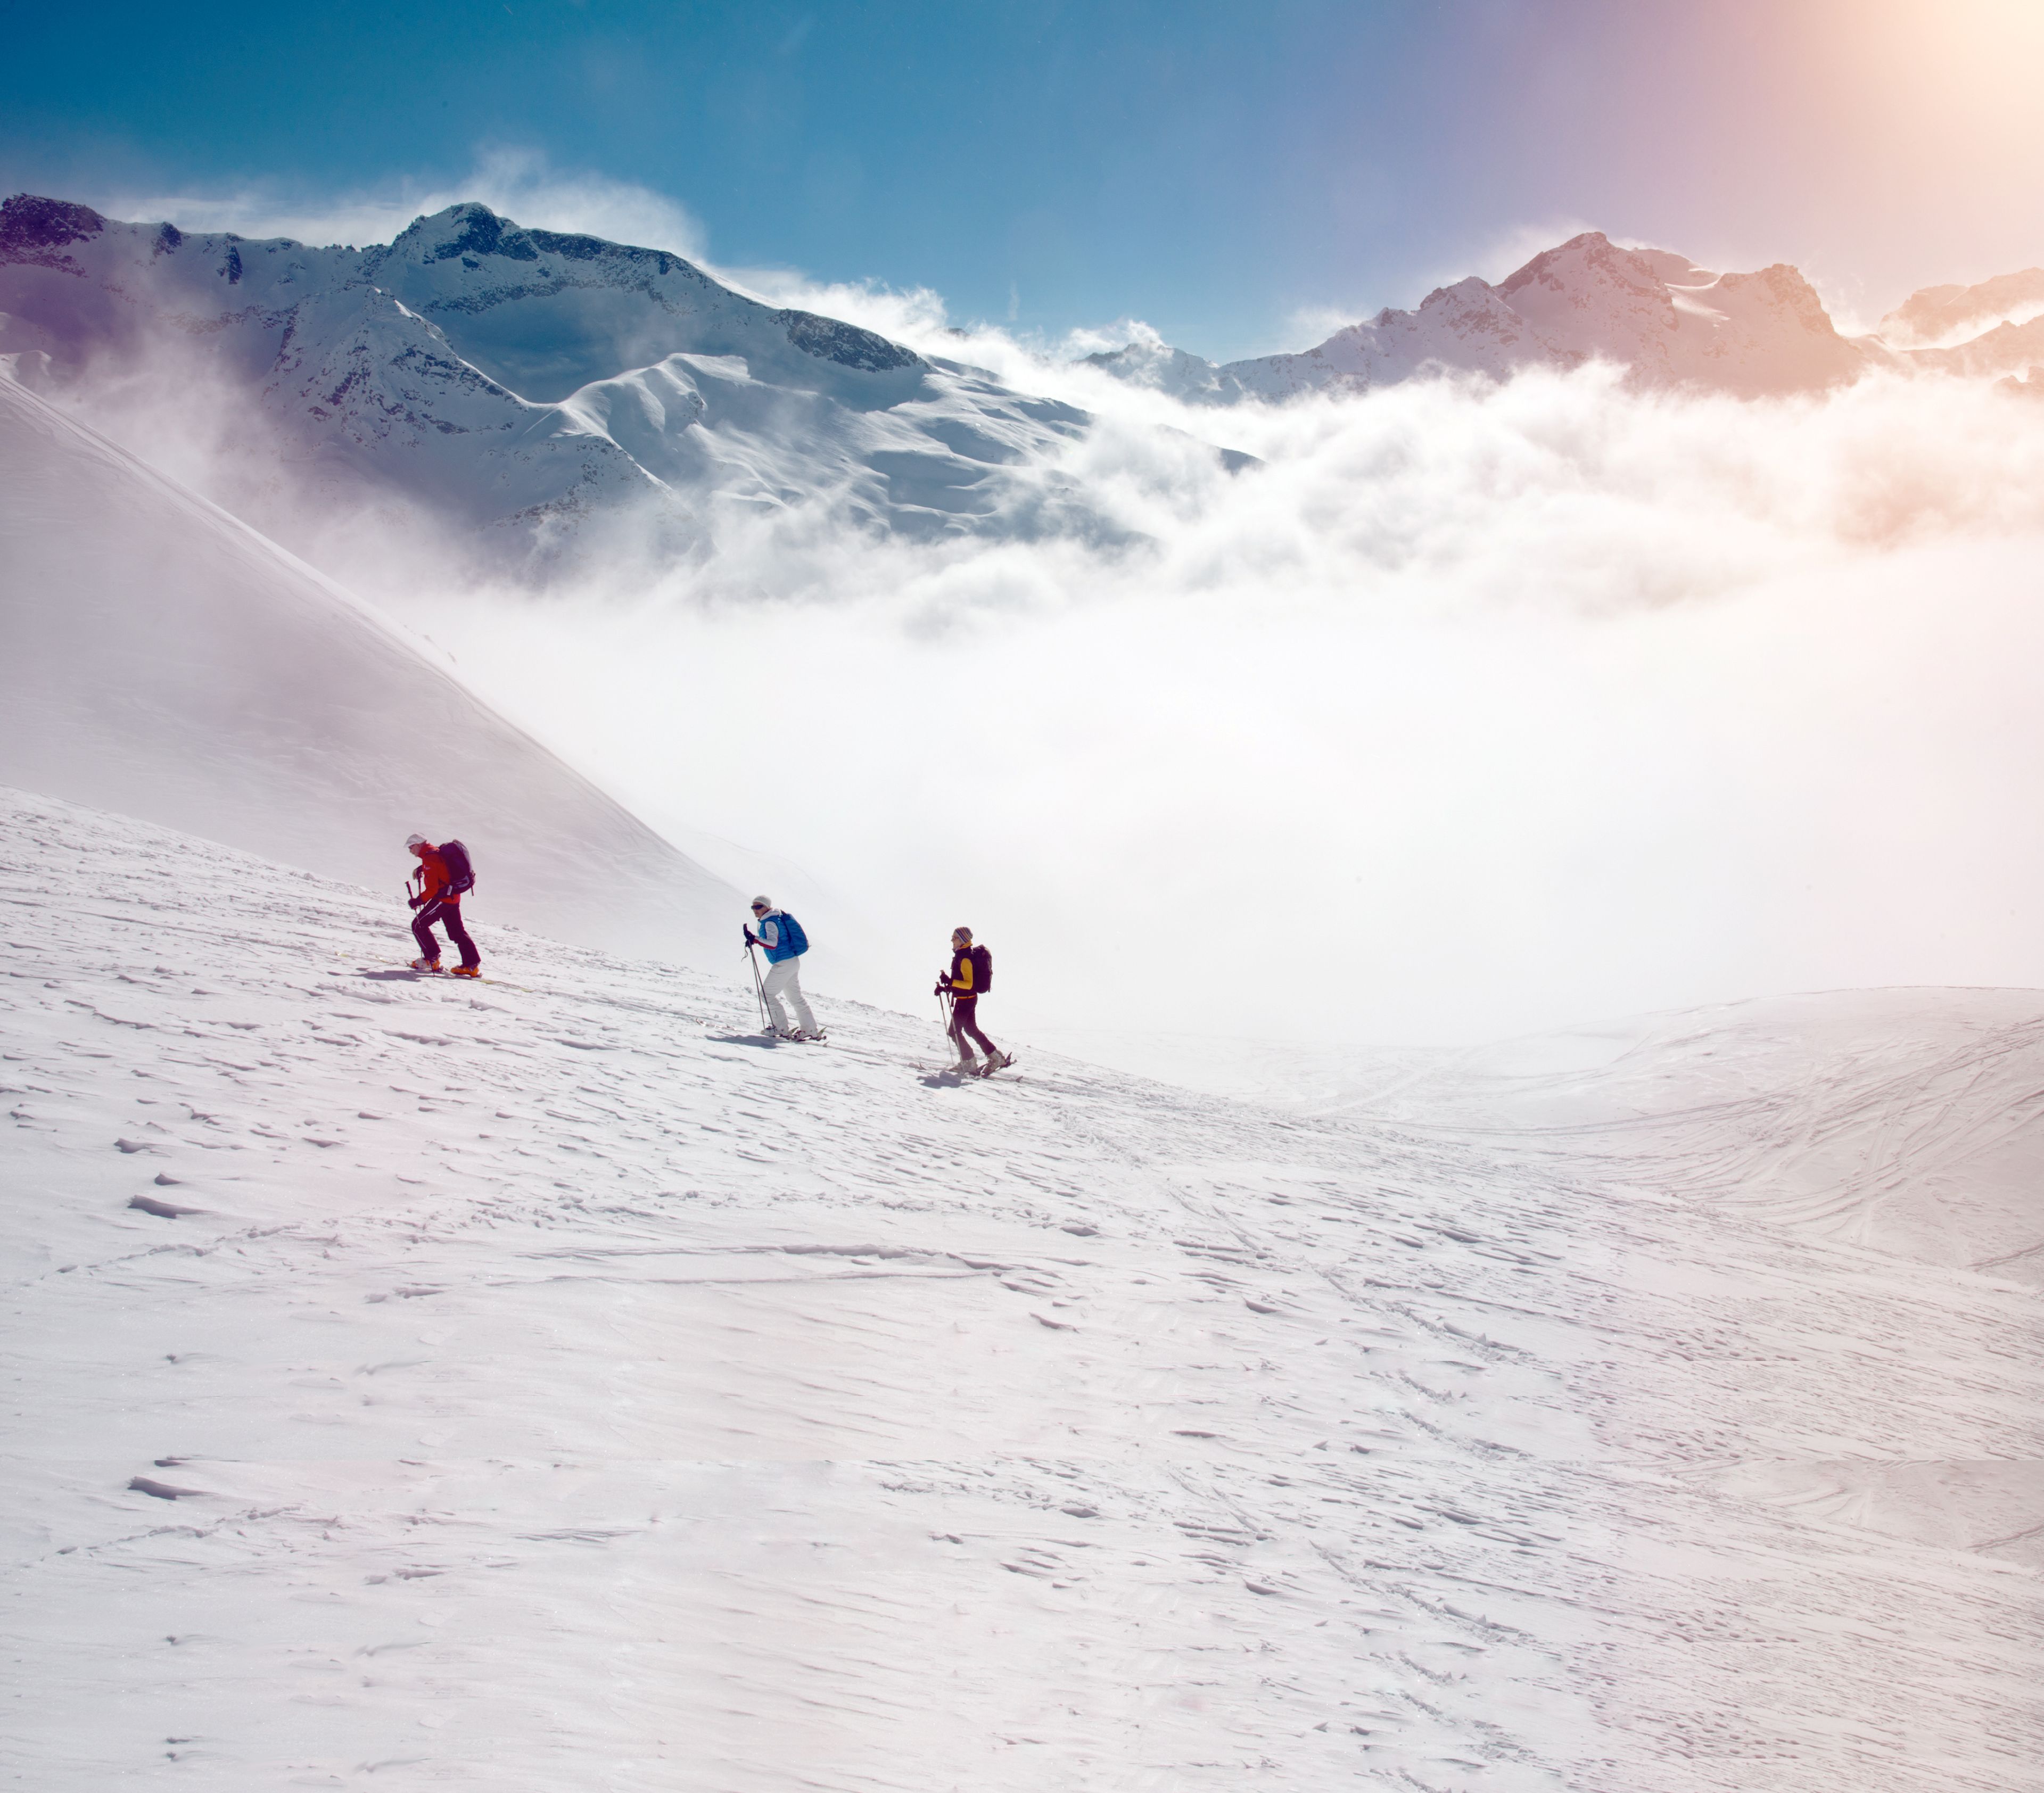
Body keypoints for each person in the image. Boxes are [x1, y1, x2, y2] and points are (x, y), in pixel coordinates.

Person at [745, 895, 823, 1040]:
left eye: (758, 907)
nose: (755, 910)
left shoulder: (769, 922)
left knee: (766, 995)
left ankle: (780, 1028)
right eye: (753, 907)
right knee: (795, 998)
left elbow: (772, 943)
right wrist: (754, 939)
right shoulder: (775, 918)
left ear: (767, 907)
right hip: (792, 961)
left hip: (784, 963)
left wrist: (754, 939)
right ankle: (809, 1029)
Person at [937, 926, 1011, 1075]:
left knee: (954, 1032)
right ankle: (996, 1057)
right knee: (971, 1029)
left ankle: (969, 1062)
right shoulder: (962, 955)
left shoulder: (965, 958)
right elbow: (962, 983)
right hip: (968, 999)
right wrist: (945, 988)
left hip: (965, 1001)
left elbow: (968, 984)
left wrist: (950, 982)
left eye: (955, 938)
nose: (952, 940)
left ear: (963, 940)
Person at [406, 833, 481, 977]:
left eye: (411, 847)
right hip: (453, 897)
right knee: (457, 932)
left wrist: (418, 901)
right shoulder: (433, 852)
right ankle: (471, 966)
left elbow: (433, 889)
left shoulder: (429, 857)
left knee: (418, 925)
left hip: (443, 899)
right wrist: (422, 868)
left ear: (417, 845)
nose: (411, 851)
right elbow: (440, 870)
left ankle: (431, 960)